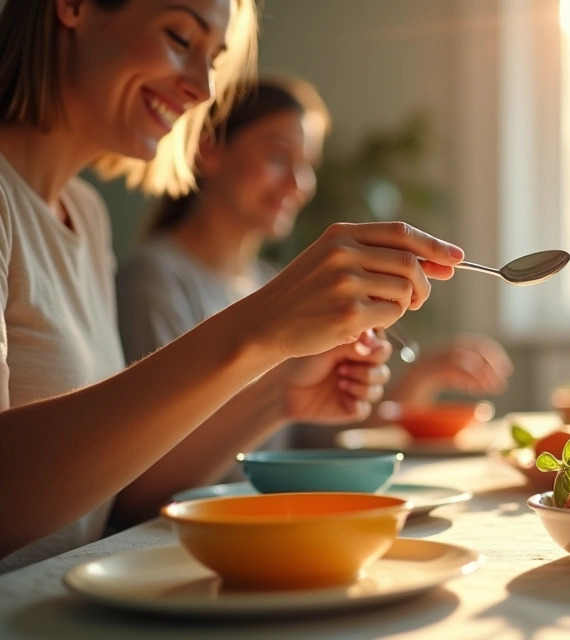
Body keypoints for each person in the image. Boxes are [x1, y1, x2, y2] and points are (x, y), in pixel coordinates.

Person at [0, 0, 464, 571]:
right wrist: (264, 328)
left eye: (213, 59)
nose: (201, 90)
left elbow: (118, 497)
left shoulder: (86, 215)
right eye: (177, 36)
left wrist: (279, 394)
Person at [116, 77, 513, 463]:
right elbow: (146, 471)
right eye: (276, 157)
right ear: (210, 151)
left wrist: (421, 376)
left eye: (307, 165)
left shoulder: (270, 283)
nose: (298, 183)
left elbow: (322, 437)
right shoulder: (153, 281)